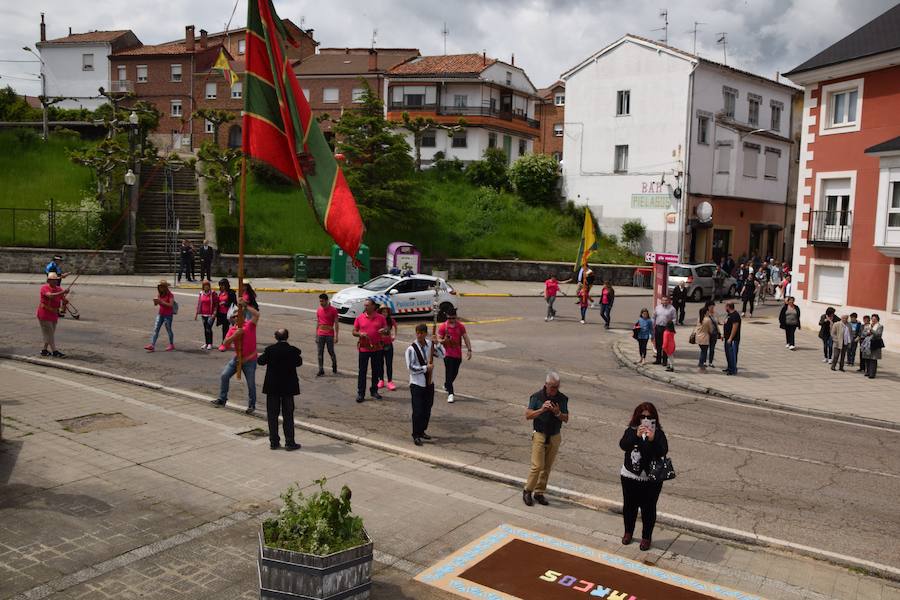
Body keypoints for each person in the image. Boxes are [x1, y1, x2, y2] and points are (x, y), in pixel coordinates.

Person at [619, 402, 668, 551]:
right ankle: (628, 532)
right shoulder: (632, 430)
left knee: (648, 509)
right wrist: (636, 435)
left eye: (649, 417)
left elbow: (663, 451)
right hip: (630, 476)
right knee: (629, 507)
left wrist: (652, 439)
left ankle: (646, 537)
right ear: (637, 417)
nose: (645, 419)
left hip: (651, 479)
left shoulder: (658, 433)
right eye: (642, 416)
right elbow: (623, 445)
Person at [523, 371, 569, 507]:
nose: (555, 390)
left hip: (554, 435)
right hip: (539, 433)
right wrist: (542, 410)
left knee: (547, 467)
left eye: (557, 387)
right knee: (537, 466)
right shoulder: (537, 397)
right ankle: (527, 490)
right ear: (546, 385)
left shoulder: (562, 399)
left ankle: (539, 492)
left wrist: (557, 413)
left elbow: (566, 418)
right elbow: (528, 415)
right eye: (552, 387)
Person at [257, 328, 302, 451]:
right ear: (287, 337)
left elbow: (260, 361)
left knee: (272, 415)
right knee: (288, 415)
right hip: (288, 387)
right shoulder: (292, 351)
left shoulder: (270, 350)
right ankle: (289, 442)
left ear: (276, 337)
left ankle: (274, 442)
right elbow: (299, 363)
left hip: (273, 387)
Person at [212, 301, 260, 413]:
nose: (236, 318)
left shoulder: (249, 325)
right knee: (224, 375)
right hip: (237, 359)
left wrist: (246, 306)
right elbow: (225, 343)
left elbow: (257, 315)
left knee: (251, 383)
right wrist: (235, 335)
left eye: (238, 316)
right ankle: (222, 399)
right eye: (234, 317)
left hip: (250, 360)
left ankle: (251, 405)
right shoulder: (232, 329)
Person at [406, 323, 444, 446]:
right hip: (417, 384)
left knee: (427, 409)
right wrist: (425, 368)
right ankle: (416, 434)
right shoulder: (411, 349)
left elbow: (443, 355)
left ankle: (422, 431)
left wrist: (437, 343)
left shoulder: (429, 345)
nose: (419, 335)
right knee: (417, 410)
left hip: (429, 383)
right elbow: (411, 368)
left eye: (422, 333)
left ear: (425, 334)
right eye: (417, 333)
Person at [352, 299, 388, 402]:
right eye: (365, 305)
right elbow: (354, 331)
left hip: (377, 348)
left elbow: (387, 331)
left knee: (375, 371)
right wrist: (360, 334)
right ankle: (361, 393)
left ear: (373, 306)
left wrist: (384, 330)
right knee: (362, 372)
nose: (366, 307)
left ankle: (374, 391)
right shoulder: (360, 318)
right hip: (364, 348)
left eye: (367, 305)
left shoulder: (381, 318)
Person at [438, 307, 472, 403]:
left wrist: (469, 350)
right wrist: (443, 340)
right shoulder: (443, 327)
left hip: (457, 354)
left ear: (456, 317)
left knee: (455, 372)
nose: (451, 320)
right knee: (449, 373)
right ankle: (451, 393)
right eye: (449, 318)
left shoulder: (460, 326)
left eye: (453, 318)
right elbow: (439, 339)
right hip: (447, 354)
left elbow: (465, 337)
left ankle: (447, 384)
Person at [36, 272, 69, 357]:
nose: (55, 282)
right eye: (53, 280)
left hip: (54, 314)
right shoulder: (44, 288)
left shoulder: (59, 289)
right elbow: (50, 296)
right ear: (48, 281)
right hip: (44, 313)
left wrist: (65, 302)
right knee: (49, 333)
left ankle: (44, 350)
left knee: (50, 333)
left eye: (56, 280)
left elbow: (63, 301)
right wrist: (62, 292)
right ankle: (55, 351)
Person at [144, 280, 175, 352]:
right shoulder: (160, 294)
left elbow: (171, 305)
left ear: (165, 287)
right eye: (159, 287)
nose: (160, 288)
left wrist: (161, 302)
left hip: (168, 315)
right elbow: (156, 304)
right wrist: (155, 302)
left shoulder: (170, 295)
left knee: (168, 329)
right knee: (156, 328)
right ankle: (152, 345)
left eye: (162, 286)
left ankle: (171, 344)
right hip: (160, 314)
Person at [315, 293, 339, 376]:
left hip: (329, 334)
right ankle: (321, 369)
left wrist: (336, 336)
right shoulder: (319, 310)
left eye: (322, 301)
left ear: (326, 300)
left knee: (330, 351)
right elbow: (318, 322)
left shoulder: (333, 310)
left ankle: (334, 365)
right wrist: (316, 335)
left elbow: (336, 324)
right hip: (320, 333)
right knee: (320, 352)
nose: (321, 303)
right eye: (320, 301)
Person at [377, 305, 398, 391]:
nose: (384, 313)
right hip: (379, 345)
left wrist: (394, 336)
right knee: (380, 363)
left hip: (389, 345)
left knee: (389, 364)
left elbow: (396, 327)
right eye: (383, 312)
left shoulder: (391, 320)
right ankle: (381, 380)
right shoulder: (377, 320)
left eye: (386, 312)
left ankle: (390, 381)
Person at [194, 280, 219, 350]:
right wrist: (196, 314)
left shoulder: (213, 293)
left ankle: (210, 343)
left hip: (211, 314)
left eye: (207, 285)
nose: (206, 287)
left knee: (208, 328)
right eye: (205, 285)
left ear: (209, 286)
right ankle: (206, 343)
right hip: (203, 314)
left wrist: (215, 313)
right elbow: (199, 303)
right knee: (205, 329)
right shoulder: (201, 293)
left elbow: (216, 304)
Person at [653, 296, 676, 366]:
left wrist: (670, 327)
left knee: (665, 345)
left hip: (666, 329)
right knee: (658, 344)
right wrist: (652, 325)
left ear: (668, 301)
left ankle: (665, 361)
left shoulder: (672, 309)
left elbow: (674, 319)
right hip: (658, 327)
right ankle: (658, 359)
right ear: (661, 301)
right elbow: (654, 317)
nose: (665, 302)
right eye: (663, 300)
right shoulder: (658, 307)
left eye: (666, 300)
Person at [695, 302, 717, 371]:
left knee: (703, 351)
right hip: (705, 337)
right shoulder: (707, 320)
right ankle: (701, 364)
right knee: (704, 352)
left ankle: (701, 363)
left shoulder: (700, 319)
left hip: (698, 337)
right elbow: (711, 330)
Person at [216, 278, 237, 346]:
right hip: (222, 313)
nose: (221, 286)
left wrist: (225, 303)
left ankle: (225, 342)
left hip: (229, 314)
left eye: (223, 285)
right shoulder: (221, 293)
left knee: (228, 328)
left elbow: (234, 303)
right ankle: (226, 341)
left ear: (226, 285)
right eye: (220, 285)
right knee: (225, 328)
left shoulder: (231, 293)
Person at [863, 314, 884, 379]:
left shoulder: (880, 326)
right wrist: (867, 333)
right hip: (868, 344)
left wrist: (871, 330)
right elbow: (864, 333)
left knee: (873, 359)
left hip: (875, 344)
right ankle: (867, 372)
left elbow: (878, 334)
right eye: (872, 319)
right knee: (867, 358)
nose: (873, 320)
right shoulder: (868, 325)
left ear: (877, 319)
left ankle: (872, 374)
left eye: (874, 319)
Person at [723, 301, 741, 375]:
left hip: (733, 339)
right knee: (728, 354)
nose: (724, 308)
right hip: (727, 338)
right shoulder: (729, 314)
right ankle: (729, 367)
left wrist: (730, 338)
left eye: (725, 306)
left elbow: (735, 327)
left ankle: (733, 370)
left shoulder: (735, 315)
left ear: (728, 306)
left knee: (732, 354)